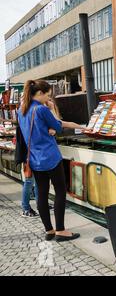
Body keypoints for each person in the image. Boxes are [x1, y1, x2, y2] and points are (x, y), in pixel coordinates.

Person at [18, 80, 91, 242]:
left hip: (34, 159)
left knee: (41, 193)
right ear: (40, 94)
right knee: (59, 192)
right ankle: (61, 231)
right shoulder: (42, 109)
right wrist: (51, 109)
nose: (48, 98)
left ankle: (49, 231)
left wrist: (48, 128)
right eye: (47, 95)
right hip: (50, 157)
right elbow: (58, 127)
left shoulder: (21, 110)